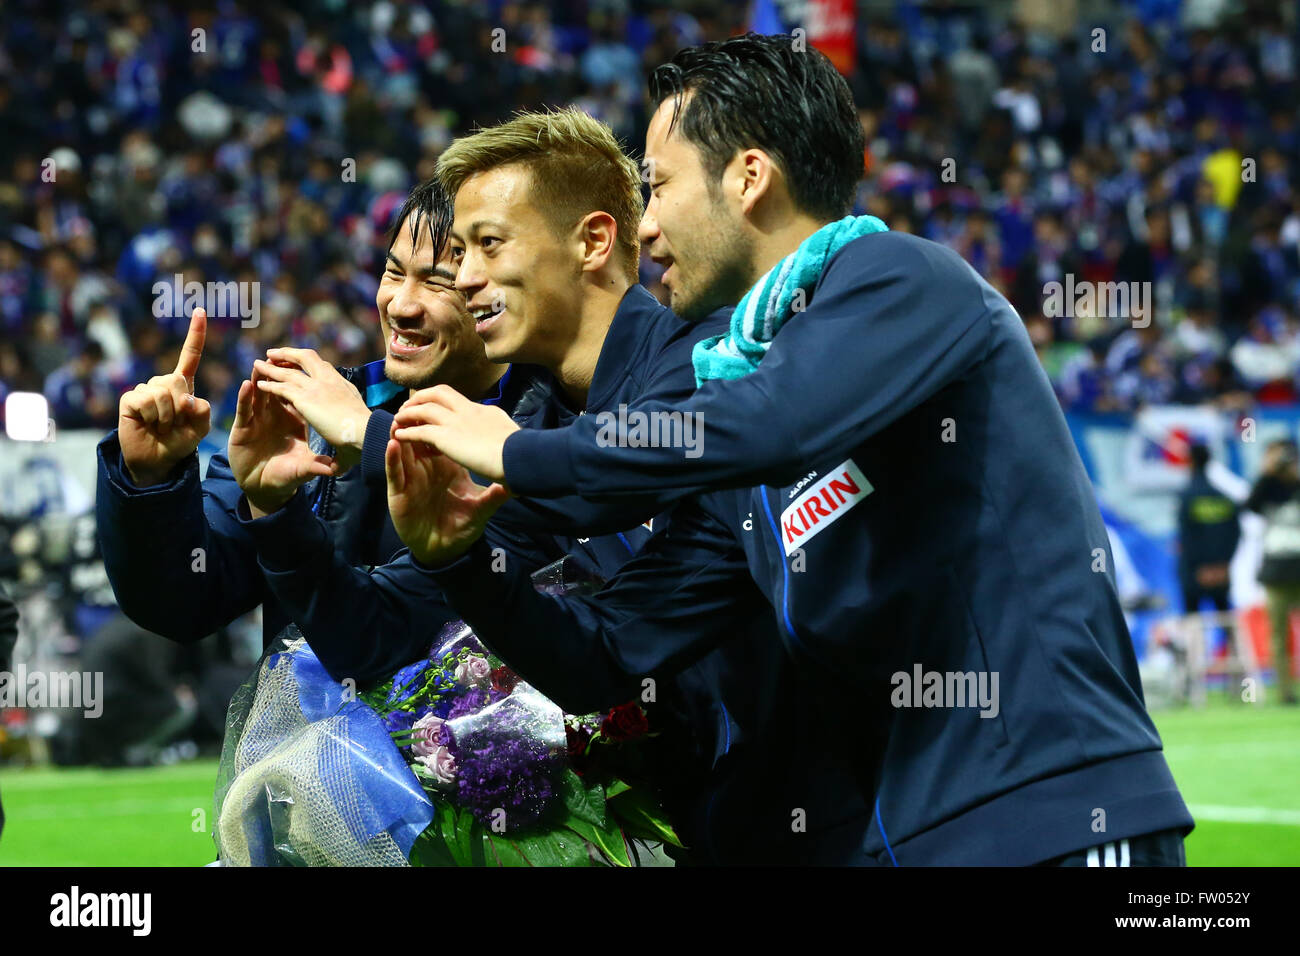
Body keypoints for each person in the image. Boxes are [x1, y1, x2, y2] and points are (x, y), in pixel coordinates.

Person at [391, 34, 1194, 865]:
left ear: (748, 177)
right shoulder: (743, 434)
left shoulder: (901, 281)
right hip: (902, 844)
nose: (650, 225)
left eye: (658, 187)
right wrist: (458, 561)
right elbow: (610, 649)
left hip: (1055, 816)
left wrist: (517, 452)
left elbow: (764, 425)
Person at [293, 108, 865, 862]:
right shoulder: (536, 421)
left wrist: (378, 436)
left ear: (592, 241)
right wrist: (278, 515)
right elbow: (376, 634)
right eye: (459, 252)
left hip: (843, 831)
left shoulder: (708, 364)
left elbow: (614, 477)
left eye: (487, 246)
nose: (464, 278)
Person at [95, 179, 534, 684]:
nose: (400, 305)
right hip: (304, 760)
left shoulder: (536, 442)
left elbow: (382, 639)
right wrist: (152, 482)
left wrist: (365, 436)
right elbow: (178, 606)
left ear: (493, 292)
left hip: (479, 758)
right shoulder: (301, 423)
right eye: (393, 272)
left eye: (437, 282)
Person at [1244, 439, 1300, 704]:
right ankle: (1285, 692)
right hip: (1276, 572)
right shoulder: (1268, 487)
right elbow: (1249, 505)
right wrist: (1267, 473)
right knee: (1278, 634)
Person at [1177, 443, 1240, 614]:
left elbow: (1187, 537)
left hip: (1195, 571)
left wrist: (1201, 568)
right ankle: (1232, 642)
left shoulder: (1187, 497)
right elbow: (1235, 533)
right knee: (1225, 617)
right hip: (1221, 571)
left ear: (1190, 462)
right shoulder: (1224, 498)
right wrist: (1223, 565)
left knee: (1193, 621)